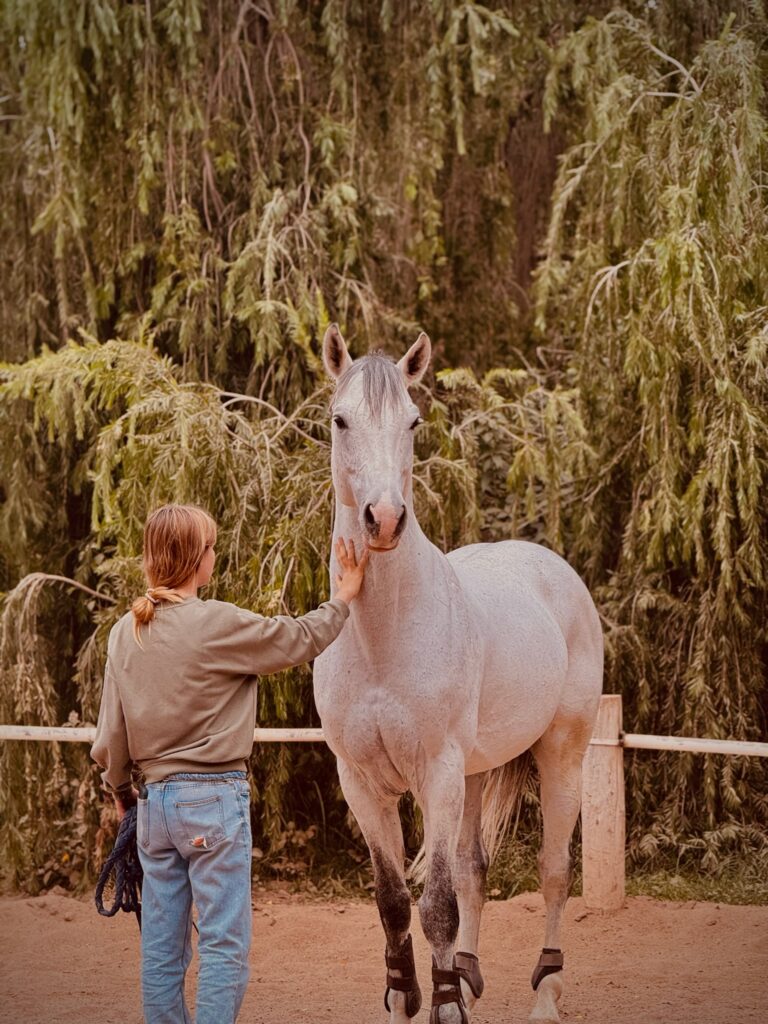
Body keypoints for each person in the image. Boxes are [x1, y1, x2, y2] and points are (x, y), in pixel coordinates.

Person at [91, 503, 368, 1024]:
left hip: (153, 811)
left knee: (161, 948)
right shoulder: (215, 623)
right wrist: (344, 598)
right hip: (213, 802)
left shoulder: (124, 633)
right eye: (211, 548)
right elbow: (298, 639)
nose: (213, 557)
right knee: (222, 944)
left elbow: (112, 737)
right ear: (198, 559)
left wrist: (123, 796)